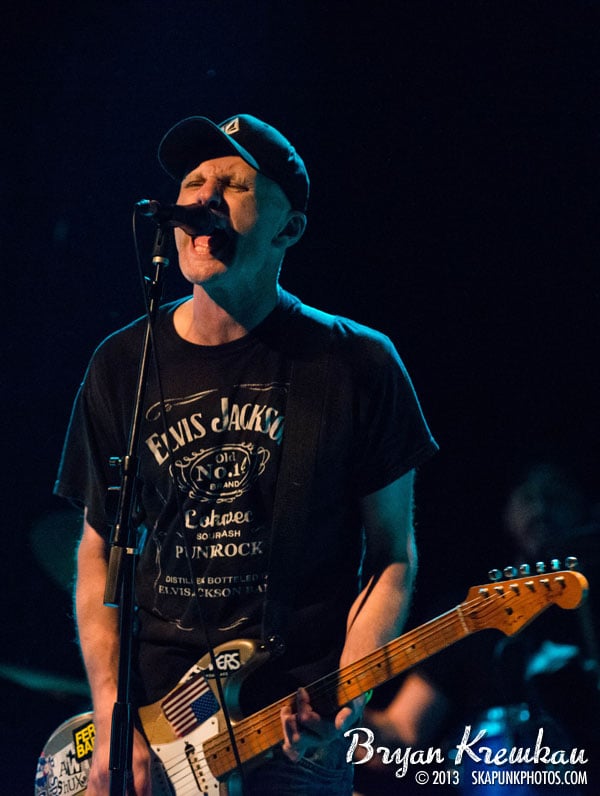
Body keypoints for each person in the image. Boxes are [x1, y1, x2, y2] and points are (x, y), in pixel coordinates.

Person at [54, 113, 438, 795]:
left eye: (233, 184)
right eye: (193, 182)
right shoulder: (120, 363)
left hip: (291, 726)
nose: (204, 195)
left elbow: (392, 555)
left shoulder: (357, 363)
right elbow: (96, 552)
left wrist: (345, 700)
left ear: (288, 229)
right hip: (152, 729)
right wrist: (115, 715)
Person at [353, 457, 599, 795]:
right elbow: (403, 730)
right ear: (506, 513)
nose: (541, 508)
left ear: (586, 508)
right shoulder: (474, 615)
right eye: (528, 497)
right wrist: (336, 721)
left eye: (556, 496)